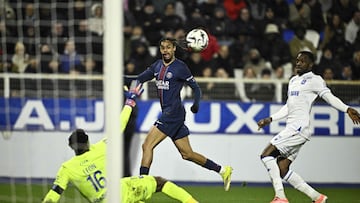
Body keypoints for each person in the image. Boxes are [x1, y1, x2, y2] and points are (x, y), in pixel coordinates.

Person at [42, 81, 199, 203]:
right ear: (88, 141)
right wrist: (129, 102)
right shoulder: (102, 148)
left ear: (71, 147)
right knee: (160, 183)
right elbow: (120, 125)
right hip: (121, 192)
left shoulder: (67, 168)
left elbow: (55, 193)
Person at [257, 51, 360, 203]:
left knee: (266, 155)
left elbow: (329, 97)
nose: (298, 63)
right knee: (282, 169)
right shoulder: (293, 81)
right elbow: (289, 106)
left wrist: (346, 109)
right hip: (296, 130)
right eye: (297, 60)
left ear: (310, 64)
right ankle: (317, 198)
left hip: (298, 129)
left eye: (303, 61)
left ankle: (280, 197)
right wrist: (270, 118)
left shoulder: (315, 80)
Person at [135, 37, 233, 191]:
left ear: (174, 48)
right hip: (172, 114)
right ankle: (223, 170)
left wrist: (196, 104)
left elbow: (196, 88)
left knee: (147, 145)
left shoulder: (180, 67)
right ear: (160, 50)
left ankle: (142, 184)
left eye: (168, 47)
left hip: (172, 113)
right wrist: (118, 79)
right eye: (162, 48)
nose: (165, 50)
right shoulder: (157, 66)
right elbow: (139, 79)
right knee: (187, 154)